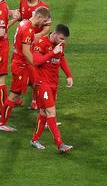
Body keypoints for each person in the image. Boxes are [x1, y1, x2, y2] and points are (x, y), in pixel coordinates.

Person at [0, 6, 51, 132]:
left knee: (39, 86)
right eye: (44, 21)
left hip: (22, 63)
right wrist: (37, 64)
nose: (43, 24)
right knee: (14, 95)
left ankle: (45, 120)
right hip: (21, 65)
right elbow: (26, 52)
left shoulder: (24, 22)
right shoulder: (28, 29)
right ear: (39, 17)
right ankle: (2, 122)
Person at [30, 24, 74, 154]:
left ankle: (34, 139)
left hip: (53, 83)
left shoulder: (60, 45)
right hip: (42, 83)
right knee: (51, 111)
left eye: (64, 39)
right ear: (54, 34)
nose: (62, 41)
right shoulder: (41, 43)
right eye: (61, 38)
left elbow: (61, 59)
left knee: (44, 113)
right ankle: (60, 144)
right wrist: (51, 53)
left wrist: (69, 75)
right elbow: (36, 61)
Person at [8, 0, 50, 109]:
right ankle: (17, 96)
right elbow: (22, 19)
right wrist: (13, 18)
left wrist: (37, 36)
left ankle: (34, 100)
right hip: (24, 43)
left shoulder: (43, 7)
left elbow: (47, 27)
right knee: (22, 70)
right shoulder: (23, 2)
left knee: (35, 74)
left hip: (35, 45)